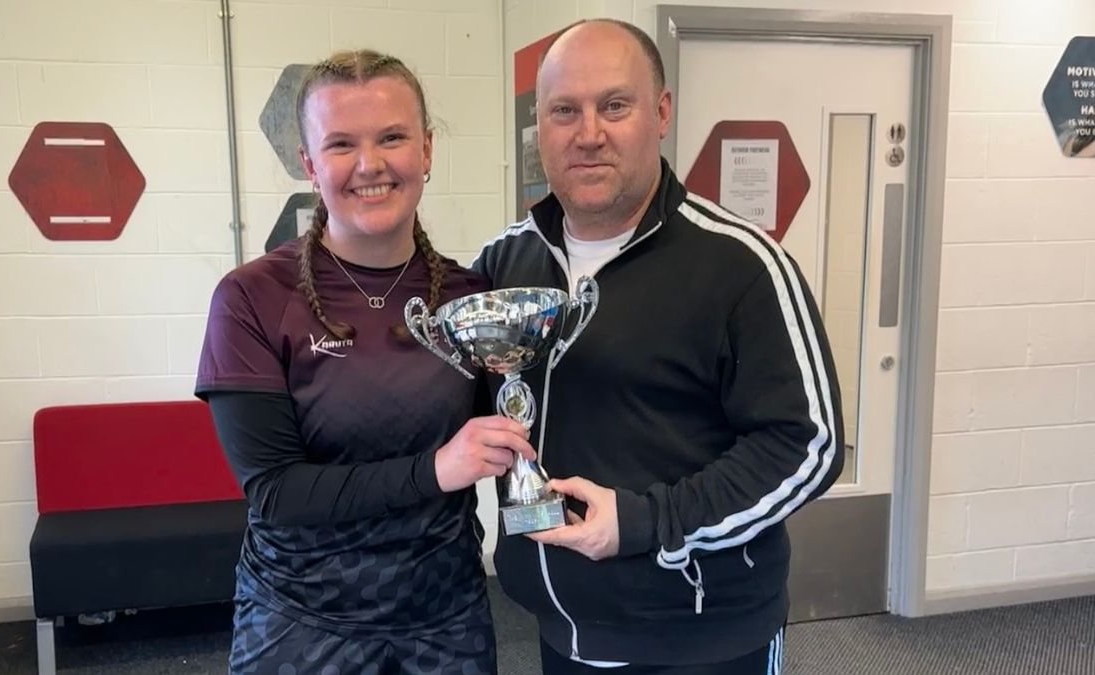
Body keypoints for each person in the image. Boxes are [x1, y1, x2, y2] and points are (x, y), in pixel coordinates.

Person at [473, 20, 844, 674]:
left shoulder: (742, 265)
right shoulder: (505, 262)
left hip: (702, 637)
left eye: (614, 105)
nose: (588, 133)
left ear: (661, 112)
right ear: (540, 126)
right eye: (564, 110)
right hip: (560, 628)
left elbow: (808, 445)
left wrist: (648, 520)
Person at [196, 49, 534, 675]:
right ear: (309, 163)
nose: (370, 164)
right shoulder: (252, 298)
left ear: (426, 151)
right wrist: (435, 469)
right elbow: (276, 492)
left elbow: (512, 436)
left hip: (447, 620)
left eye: (393, 137)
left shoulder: (470, 300)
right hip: (301, 625)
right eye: (341, 144)